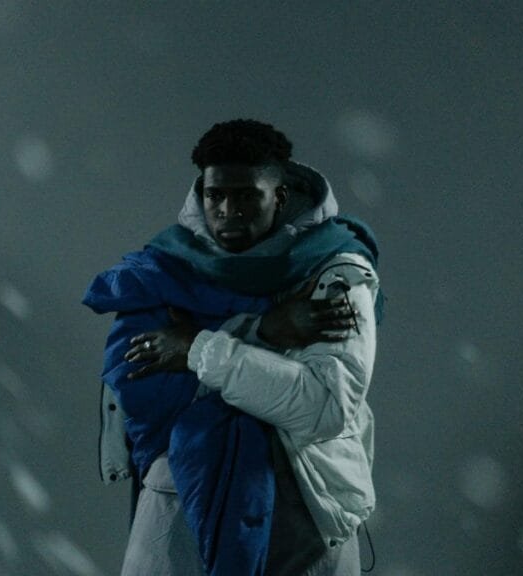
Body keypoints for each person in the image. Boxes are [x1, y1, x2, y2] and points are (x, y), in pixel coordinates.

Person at [83, 119, 383, 575]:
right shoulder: (166, 266)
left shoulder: (335, 275)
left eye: (247, 196)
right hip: (178, 508)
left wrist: (197, 350)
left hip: (302, 507)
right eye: (215, 195)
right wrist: (262, 333)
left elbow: (322, 407)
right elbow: (142, 384)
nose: (228, 210)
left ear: (279, 196)